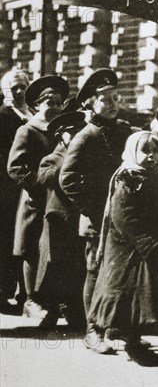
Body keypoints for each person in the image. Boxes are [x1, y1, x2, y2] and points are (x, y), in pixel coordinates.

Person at [89, 132, 158, 362]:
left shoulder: (154, 177)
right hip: (127, 247)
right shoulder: (128, 180)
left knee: (141, 297)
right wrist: (145, 242)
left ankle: (133, 337)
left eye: (155, 151)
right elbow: (124, 217)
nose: (151, 156)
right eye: (145, 151)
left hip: (148, 244)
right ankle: (124, 338)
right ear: (132, 153)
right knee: (127, 294)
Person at [59, 69, 133, 351]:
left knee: (120, 271)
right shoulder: (86, 135)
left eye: (115, 97)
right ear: (90, 103)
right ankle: (93, 330)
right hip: (96, 219)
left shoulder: (125, 131)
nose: (112, 103)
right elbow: (67, 179)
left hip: (123, 217)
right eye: (105, 99)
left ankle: (115, 328)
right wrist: (91, 208)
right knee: (95, 270)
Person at [7, 75, 69, 318]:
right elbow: (15, 167)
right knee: (31, 248)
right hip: (36, 199)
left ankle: (53, 301)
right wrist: (37, 186)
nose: (53, 106)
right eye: (48, 102)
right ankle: (31, 299)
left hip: (60, 200)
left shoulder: (64, 131)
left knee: (53, 249)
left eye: (58, 102)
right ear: (38, 105)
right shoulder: (28, 130)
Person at [35, 110, 87, 329]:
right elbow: (44, 178)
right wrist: (68, 163)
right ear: (61, 136)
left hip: (78, 219)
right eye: (71, 133)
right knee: (54, 267)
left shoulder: (86, 154)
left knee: (77, 268)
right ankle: (52, 312)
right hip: (59, 222)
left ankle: (74, 311)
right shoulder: (53, 158)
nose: (76, 136)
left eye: (78, 132)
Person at [0, 69, 31, 311]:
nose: (20, 91)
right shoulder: (2, 116)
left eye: (23, 86)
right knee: (6, 240)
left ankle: (26, 294)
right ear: (4, 92)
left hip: (29, 189)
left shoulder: (33, 115)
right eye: (14, 88)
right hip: (6, 190)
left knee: (26, 241)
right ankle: (4, 293)